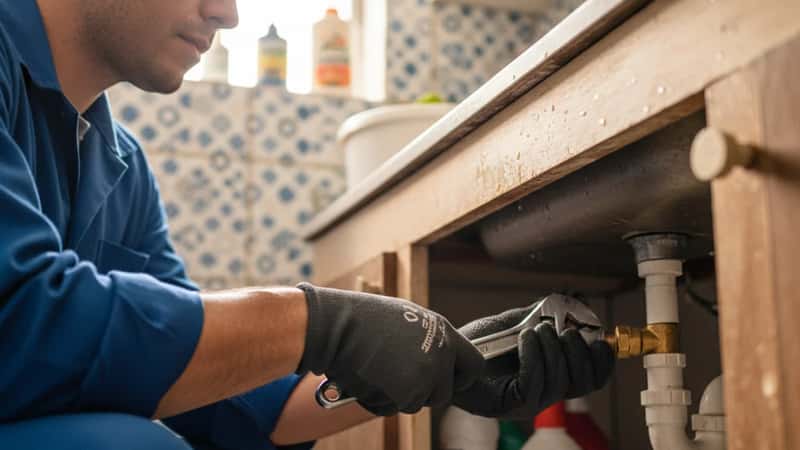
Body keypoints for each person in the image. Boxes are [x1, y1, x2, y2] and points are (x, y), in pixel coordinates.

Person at [0, 0, 615, 449]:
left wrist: (456, 365)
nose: (229, 14)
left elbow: (229, 407)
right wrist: (319, 323)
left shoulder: (122, 169)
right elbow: (20, 323)